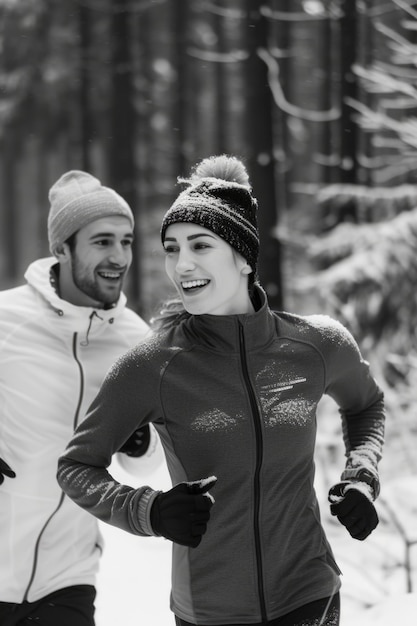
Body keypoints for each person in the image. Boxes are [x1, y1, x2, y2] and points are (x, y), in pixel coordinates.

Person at [57, 156, 385, 626]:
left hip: (310, 597)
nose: (180, 264)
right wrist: (148, 510)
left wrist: (362, 477)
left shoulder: (316, 345)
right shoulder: (154, 366)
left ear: (243, 256)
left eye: (200, 245)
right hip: (210, 612)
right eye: (172, 247)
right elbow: (75, 466)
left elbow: (366, 406)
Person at [0, 170, 162, 626]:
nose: (119, 256)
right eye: (102, 241)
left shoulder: (137, 340)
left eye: (126, 241)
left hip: (68, 579)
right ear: (61, 248)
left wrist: (140, 443)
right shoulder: (6, 319)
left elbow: (146, 465)